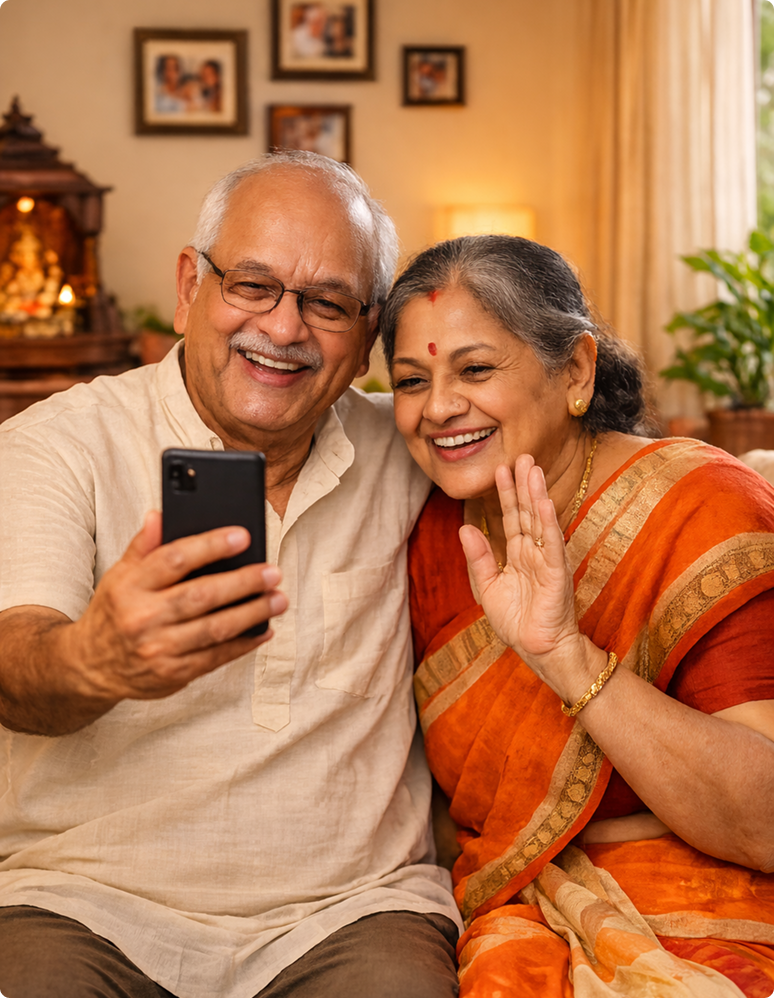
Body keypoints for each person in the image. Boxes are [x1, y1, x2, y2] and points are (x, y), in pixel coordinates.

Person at [0, 152, 461, 998]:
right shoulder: (56, 445)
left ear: (368, 335)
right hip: (80, 904)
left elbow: (565, 448)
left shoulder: (420, 450)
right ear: (189, 288)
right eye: (252, 285)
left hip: (350, 914)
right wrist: (93, 660)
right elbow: (13, 660)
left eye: (327, 303)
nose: (284, 330)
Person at [380, 234, 774, 998]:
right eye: (409, 380)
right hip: (510, 906)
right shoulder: (430, 533)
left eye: (475, 369)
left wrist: (566, 654)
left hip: (711, 897)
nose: (438, 408)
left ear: (577, 371)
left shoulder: (704, 511)